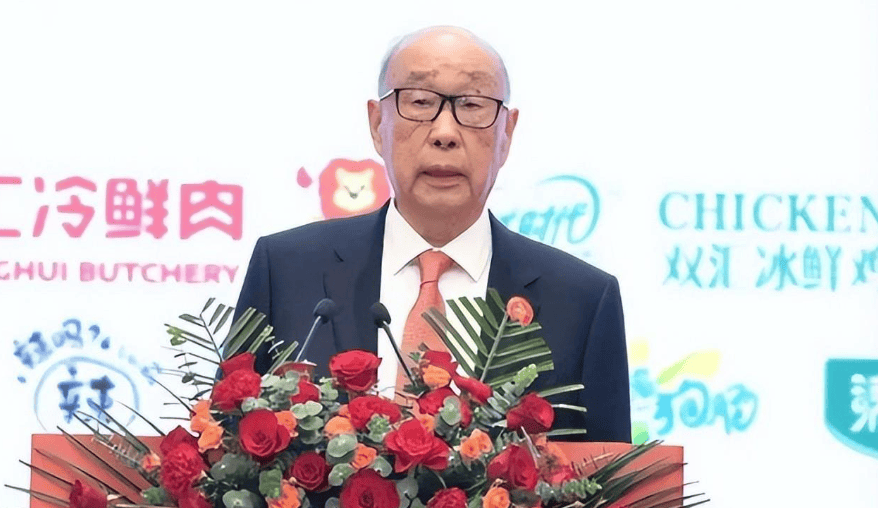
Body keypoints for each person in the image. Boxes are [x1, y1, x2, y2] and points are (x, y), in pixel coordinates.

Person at [233, 26, 631, 443]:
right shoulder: (285, 270)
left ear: (506, 134)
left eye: (473, 105)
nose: (444, 133)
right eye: (420, 102)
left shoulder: (582, 300)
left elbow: (608, 472)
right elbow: (226, 448)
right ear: (377, 123)